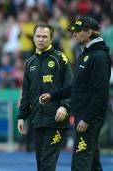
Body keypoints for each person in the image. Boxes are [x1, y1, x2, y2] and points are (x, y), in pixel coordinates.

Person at [39, 16, 111, 171]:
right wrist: (53, 95)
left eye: (78, 31)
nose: (74, 34)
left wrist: (86, 118)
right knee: (92, 163)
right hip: (82, 115)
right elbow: (76, 87)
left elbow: (101, 93)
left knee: (80, 162)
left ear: (89, 32)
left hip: (88, 118)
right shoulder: (86, 54)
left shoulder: (98, 56)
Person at [17, 23, 73, 171]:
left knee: (47, 163)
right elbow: (26, 92)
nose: (41, 39)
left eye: (44, 37)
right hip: (37, 120)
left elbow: (70, 86)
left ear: (51, 39)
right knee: (41, 163)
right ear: (34, 38)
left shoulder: (60, 58)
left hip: (56, 120)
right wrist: (22, 116)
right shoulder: (30, 63)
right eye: (38, 36)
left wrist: (64, 106)